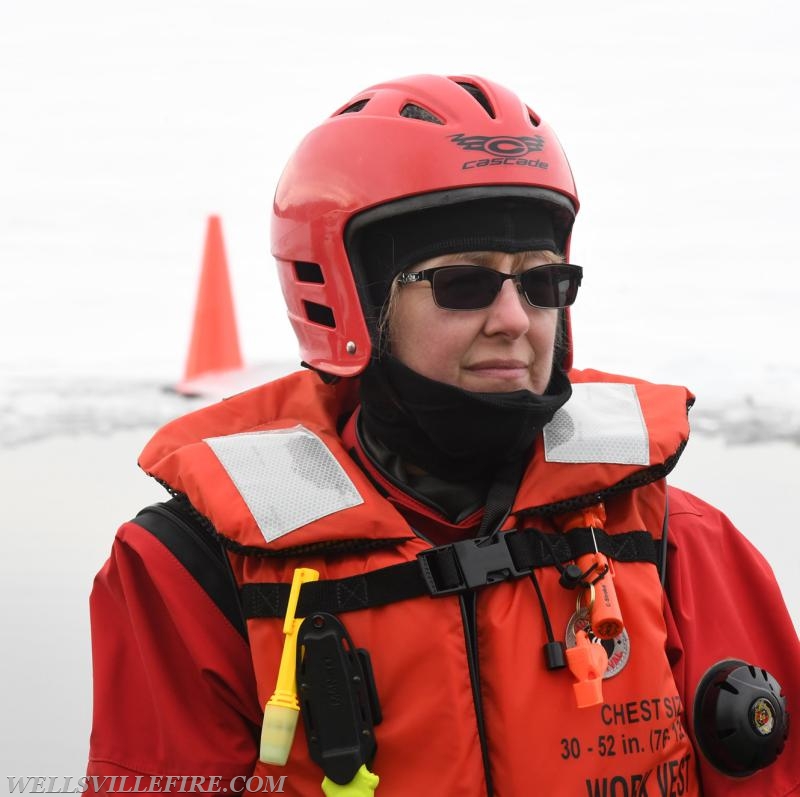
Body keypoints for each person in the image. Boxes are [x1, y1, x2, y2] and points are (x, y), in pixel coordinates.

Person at [87, 74, 799, 796]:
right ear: (348, 301)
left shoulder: (676, 541)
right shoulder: (197, 570)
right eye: (464, 283)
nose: (516, 320)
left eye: (543, 282)